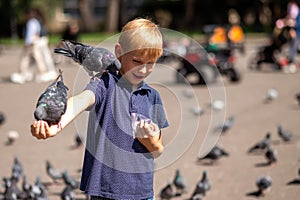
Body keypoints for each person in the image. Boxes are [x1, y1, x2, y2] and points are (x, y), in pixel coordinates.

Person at [30, 18, 169, 199]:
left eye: (150, 63)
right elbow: (81, 100)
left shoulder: (152, 97)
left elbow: (158, 149)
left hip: (142, 192)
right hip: (106, 190)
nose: (143, 69)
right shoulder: (105, 84)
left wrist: (150, 140)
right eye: (136, 60)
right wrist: (58, 121)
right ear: (119, 53)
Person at [11, 8, 56, 84]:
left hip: (31, 44)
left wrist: (27, 44)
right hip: (35, 43)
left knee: (25, 59)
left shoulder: (30, 23)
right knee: (38, 59)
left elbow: (30, 34)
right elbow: (37, 33)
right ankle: (42, 73)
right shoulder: (36, 22)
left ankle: (22, 75)